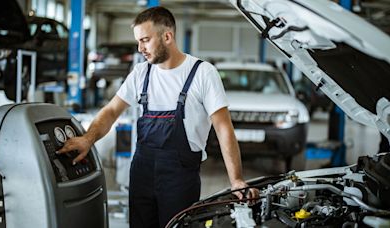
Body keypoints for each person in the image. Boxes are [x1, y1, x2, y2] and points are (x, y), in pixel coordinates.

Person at [58, 6, 258, 228]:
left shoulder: (203, 73)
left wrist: (236, 179)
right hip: (142, 173)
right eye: (138, 41)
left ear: (167, 36)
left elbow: (223, 129)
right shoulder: (141, 73)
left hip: (180, 179)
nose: (140, 48)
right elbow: (112, 110)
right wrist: (88, 139)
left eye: (145, 40)